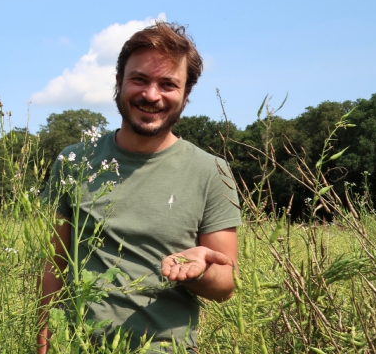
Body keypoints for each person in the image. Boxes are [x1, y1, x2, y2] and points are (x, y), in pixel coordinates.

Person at [38, 22, 242, 353]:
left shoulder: (211, 172)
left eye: (168, 84)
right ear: (118, 83)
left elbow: (225, 286)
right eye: (139, 80)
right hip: (75, 347)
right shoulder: (73, 160)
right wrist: (43, 344)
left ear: (186, 95)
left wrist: (199, 271)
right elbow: (53, 264)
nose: (151, 95)